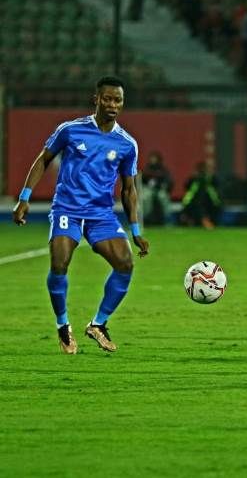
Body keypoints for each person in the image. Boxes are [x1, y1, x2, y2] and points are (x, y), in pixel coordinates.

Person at [12, 76, 149, 354]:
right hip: (67, 209)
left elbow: (129, 189)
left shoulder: (127, 144)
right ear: (96, 99)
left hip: (101, 214)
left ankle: (98, 324)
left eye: (118, 100)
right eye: (107, 99)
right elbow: (43, 159)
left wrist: (135, 231)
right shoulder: (71, 130)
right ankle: (63, 325)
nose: (112, 105)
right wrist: (24, 198)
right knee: (59, 263)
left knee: (125, 264)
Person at [180, 161, 222, 229]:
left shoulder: (214, 180)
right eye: (208, 167)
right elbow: (190, 194)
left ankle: (205, 221)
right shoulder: (196, 180)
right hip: (196, 205)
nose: (211, 170)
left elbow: (216, 197)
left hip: (209, 205)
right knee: (197, 206)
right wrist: (185, 206)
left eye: (212, 168)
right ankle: (202, 221)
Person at [141, 150, 173, 225]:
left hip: (159, 189)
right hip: (148, 189)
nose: (153, 160)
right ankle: (145, 218)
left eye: (154, 158)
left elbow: (168, 181)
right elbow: (141, 181)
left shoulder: (163, 169)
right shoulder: (147, 169)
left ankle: (167, 218)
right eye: (152, 158)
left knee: (163, 196)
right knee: (146, 197)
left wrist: (164, 186)